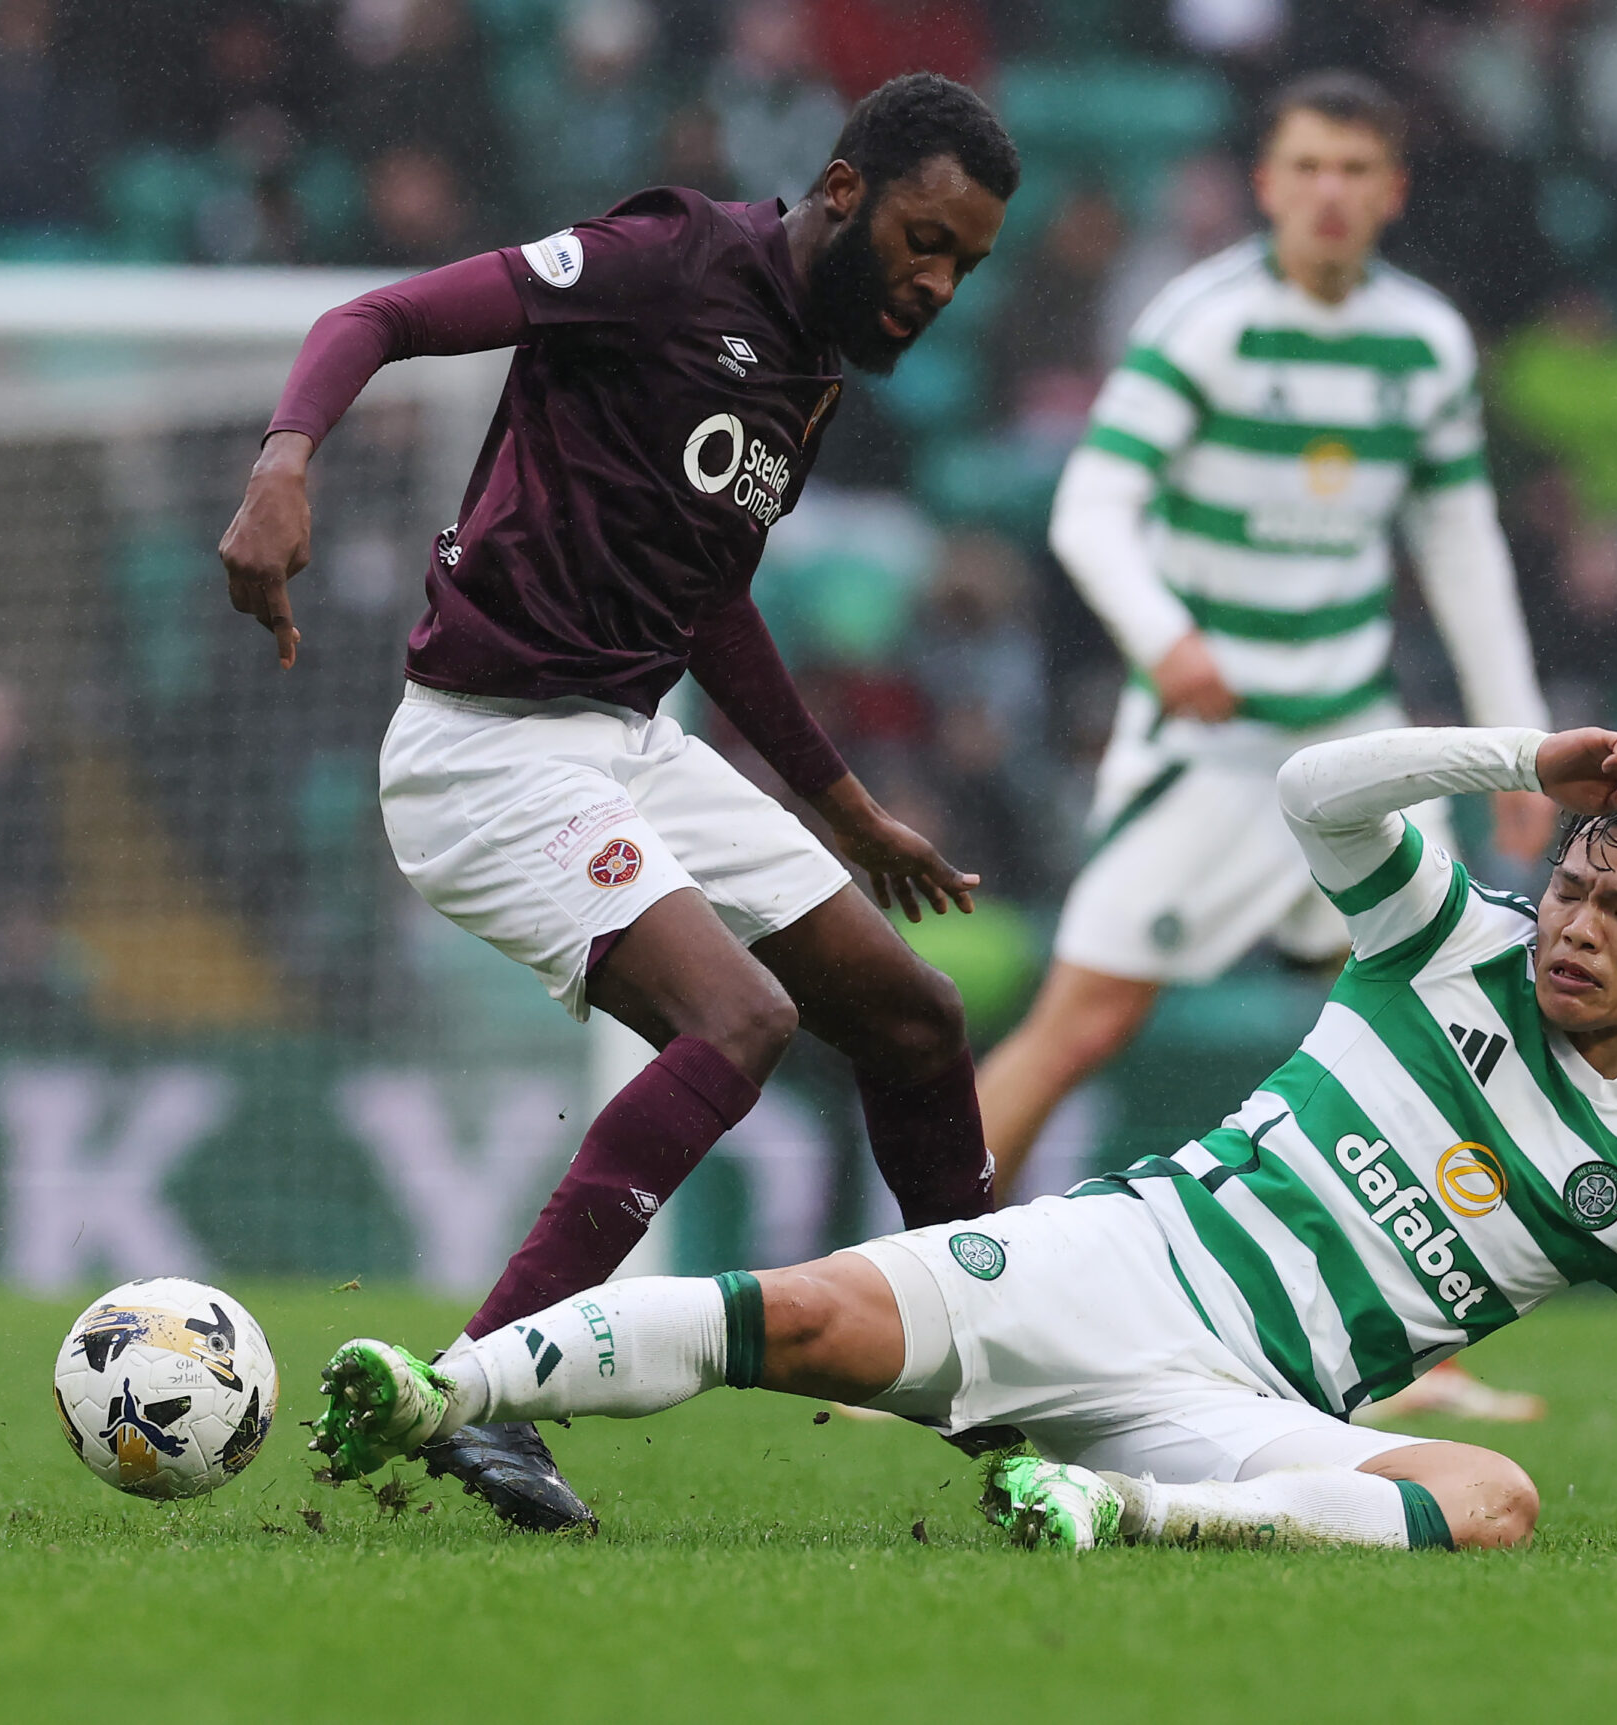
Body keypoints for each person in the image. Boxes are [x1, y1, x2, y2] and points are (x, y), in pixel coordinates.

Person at [309, 725, 1617, 1561]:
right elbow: (1312, 792)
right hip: (1119, 1260)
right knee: (804, 1315)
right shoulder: (1440, 934)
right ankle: (444, 1387)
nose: (1576, 923)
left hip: (1241, 1409)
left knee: (1497, 1501)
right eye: (1576, 881)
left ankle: (1115, 1509)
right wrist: (1514, 757)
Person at [216, 74, 1018, 1534]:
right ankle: (479, 1391)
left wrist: (844, 807)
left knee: (915, 1017)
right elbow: (372, 321)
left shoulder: (809, 369)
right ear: (841, 191)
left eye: (963, 264)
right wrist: (284, 468)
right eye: (921, 238)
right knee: (744, 1020)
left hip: (629, 740)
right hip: (485, 750)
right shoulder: (660, 265)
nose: (935, 282)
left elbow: (710, 603)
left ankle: (1002, 1389)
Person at [974, 70, 1552, 1423]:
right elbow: (1093, 504)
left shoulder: (1426, 344)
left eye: (1357, 168)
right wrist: (1163, 633)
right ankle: (930, 1275)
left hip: (1356, 744)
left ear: (1392, 189)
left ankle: (1410, 1352)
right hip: (1212, 749)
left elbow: (1459, 547)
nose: (1331, 192)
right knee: (1085, 1019)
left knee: (1421, 1028)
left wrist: (1513, 742)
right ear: (1267, 183)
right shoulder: (1207, 322)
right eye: (1308, 167)